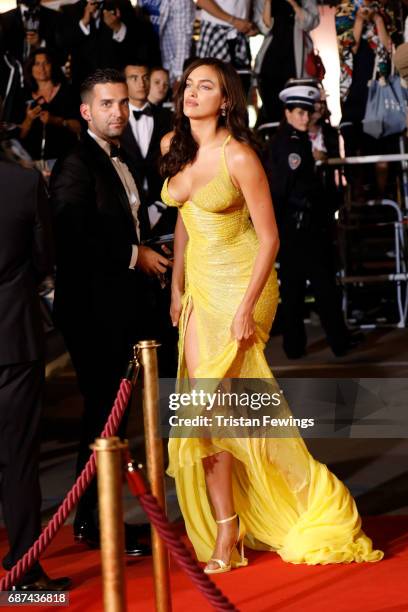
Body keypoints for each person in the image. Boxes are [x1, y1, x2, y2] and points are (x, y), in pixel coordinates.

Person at [160, 58, 383, 573]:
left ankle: (288, 505)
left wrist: (244, 310)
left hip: (244, 286)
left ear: (227, 100)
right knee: (204, 418)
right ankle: (227, 529)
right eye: (189, 84)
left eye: (206, 86)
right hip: (198, 292)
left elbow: (270, 238)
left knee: (220, 412)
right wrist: (176, 286)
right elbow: (186, 221)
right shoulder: (174, 148)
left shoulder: (239, 157)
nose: (192, 92)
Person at [50, 68, 172, 553]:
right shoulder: (75, 164)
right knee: (104, 420)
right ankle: (98, 524)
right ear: (86, 111)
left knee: (108, 421)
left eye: (122, 102)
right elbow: (71, 236)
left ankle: (92, 521)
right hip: (91, 312)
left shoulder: (120, 158)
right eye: (107, 104)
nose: (118, 111)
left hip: (121, 308)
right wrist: (133, 255)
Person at [0, 132, 71, 591]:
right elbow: (46, 259)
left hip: (14, 338)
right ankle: (25, 570)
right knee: (19, 456)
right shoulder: (23, 185)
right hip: (13, 337)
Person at [267, 84, 357, 359]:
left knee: (298, 288)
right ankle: (337, 342)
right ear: (287, 113)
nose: (306, 117)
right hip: (301, 228)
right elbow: (285, 189)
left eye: (308, 112)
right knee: (320, 287)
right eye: (299, 112)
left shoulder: (292, 141)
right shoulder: (292, 145)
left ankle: (296, 346)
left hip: (298, 227)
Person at [121, 62, 175, 235]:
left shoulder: (168, 118)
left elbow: (174, 164)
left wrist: (160, 206)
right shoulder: (114, 120)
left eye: (145, 78)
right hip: (125, 213)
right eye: (134, 78)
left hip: (165, 208)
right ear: (124, 83)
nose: (141, 83)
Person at [253, 0, 320, 125]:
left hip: (297, 57)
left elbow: (311, 22)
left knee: (298, 104)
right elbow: (264, 27)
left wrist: (294, 4)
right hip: (271, 59)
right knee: (271, 106)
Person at [16, 48, 80, 162]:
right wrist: (29, 119)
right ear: (30, 68)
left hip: (63, 161)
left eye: (46, 63)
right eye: (37, 64)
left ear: (53, 66)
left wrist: (56, 121)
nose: (42, 68)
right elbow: (19, 136)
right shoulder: (23, 95)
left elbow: (79, 128)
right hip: (31, 163)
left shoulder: (68, 92)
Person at [0, 0, 65, 65]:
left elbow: (61, 56)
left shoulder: (56, 17)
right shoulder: (4, 19)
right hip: (15, 73)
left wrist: (40, 44)